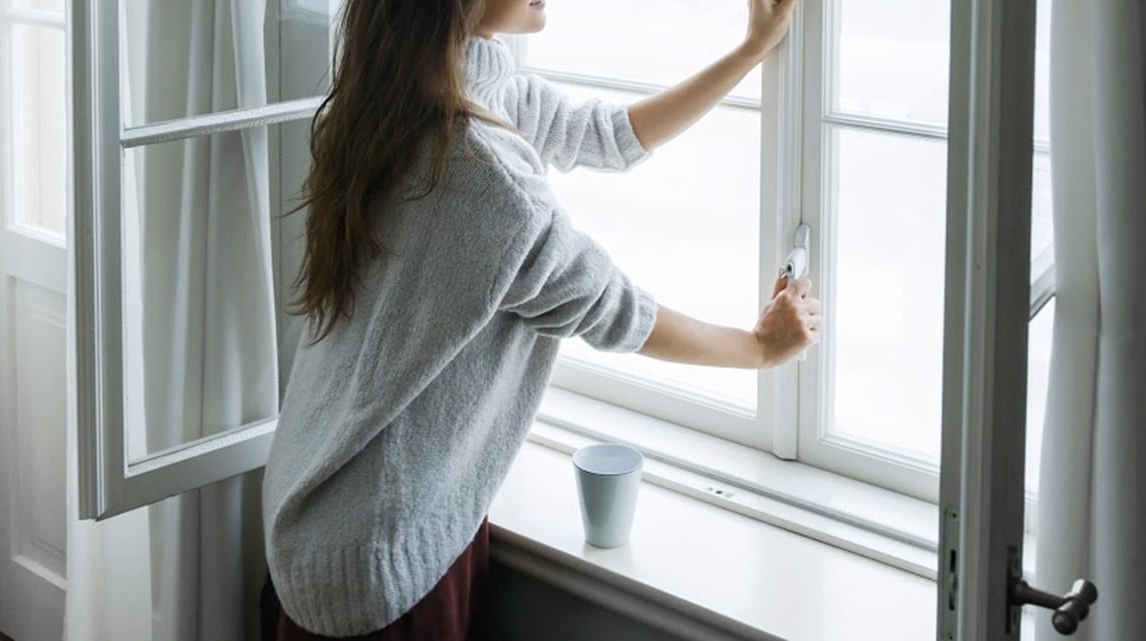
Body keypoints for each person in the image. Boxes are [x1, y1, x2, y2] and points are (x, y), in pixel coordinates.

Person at [260, 0, 816, 639]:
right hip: (379, 553)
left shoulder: (402, 96)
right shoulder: (481, 172)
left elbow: (606, 137)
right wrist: (759, 348)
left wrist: (749, 52)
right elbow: (610, 307)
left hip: (324, 510)